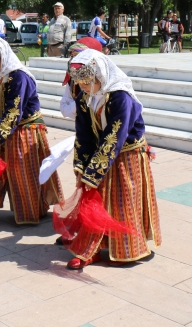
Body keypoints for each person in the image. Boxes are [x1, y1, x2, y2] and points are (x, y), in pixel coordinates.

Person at [60, 49, 161, 270]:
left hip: (127, 156)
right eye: (81, 83)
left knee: (123, 203)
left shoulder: (120, 97)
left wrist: (92, 173)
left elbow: (114, 137)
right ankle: (91, 249)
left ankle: (129, 248)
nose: (84, 88)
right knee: (96, 202)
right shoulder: (85, 97)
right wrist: (81, 166)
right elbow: (83, 134)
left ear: (100, 76)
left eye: (87, 82)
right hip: (102, 155)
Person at [0, 35, 63, 231]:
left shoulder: (19, 76)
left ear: (2, 55)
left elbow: (13, 112)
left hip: (26, 130)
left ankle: (30, 212)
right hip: (3, 129)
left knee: (23, 175)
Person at [59, 37, 103, 120]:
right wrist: (80, 104)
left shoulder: (106, 83)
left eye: (78, 57)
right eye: (72, 56)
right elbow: (64, 109)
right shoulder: (72, 80)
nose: (73, 61)